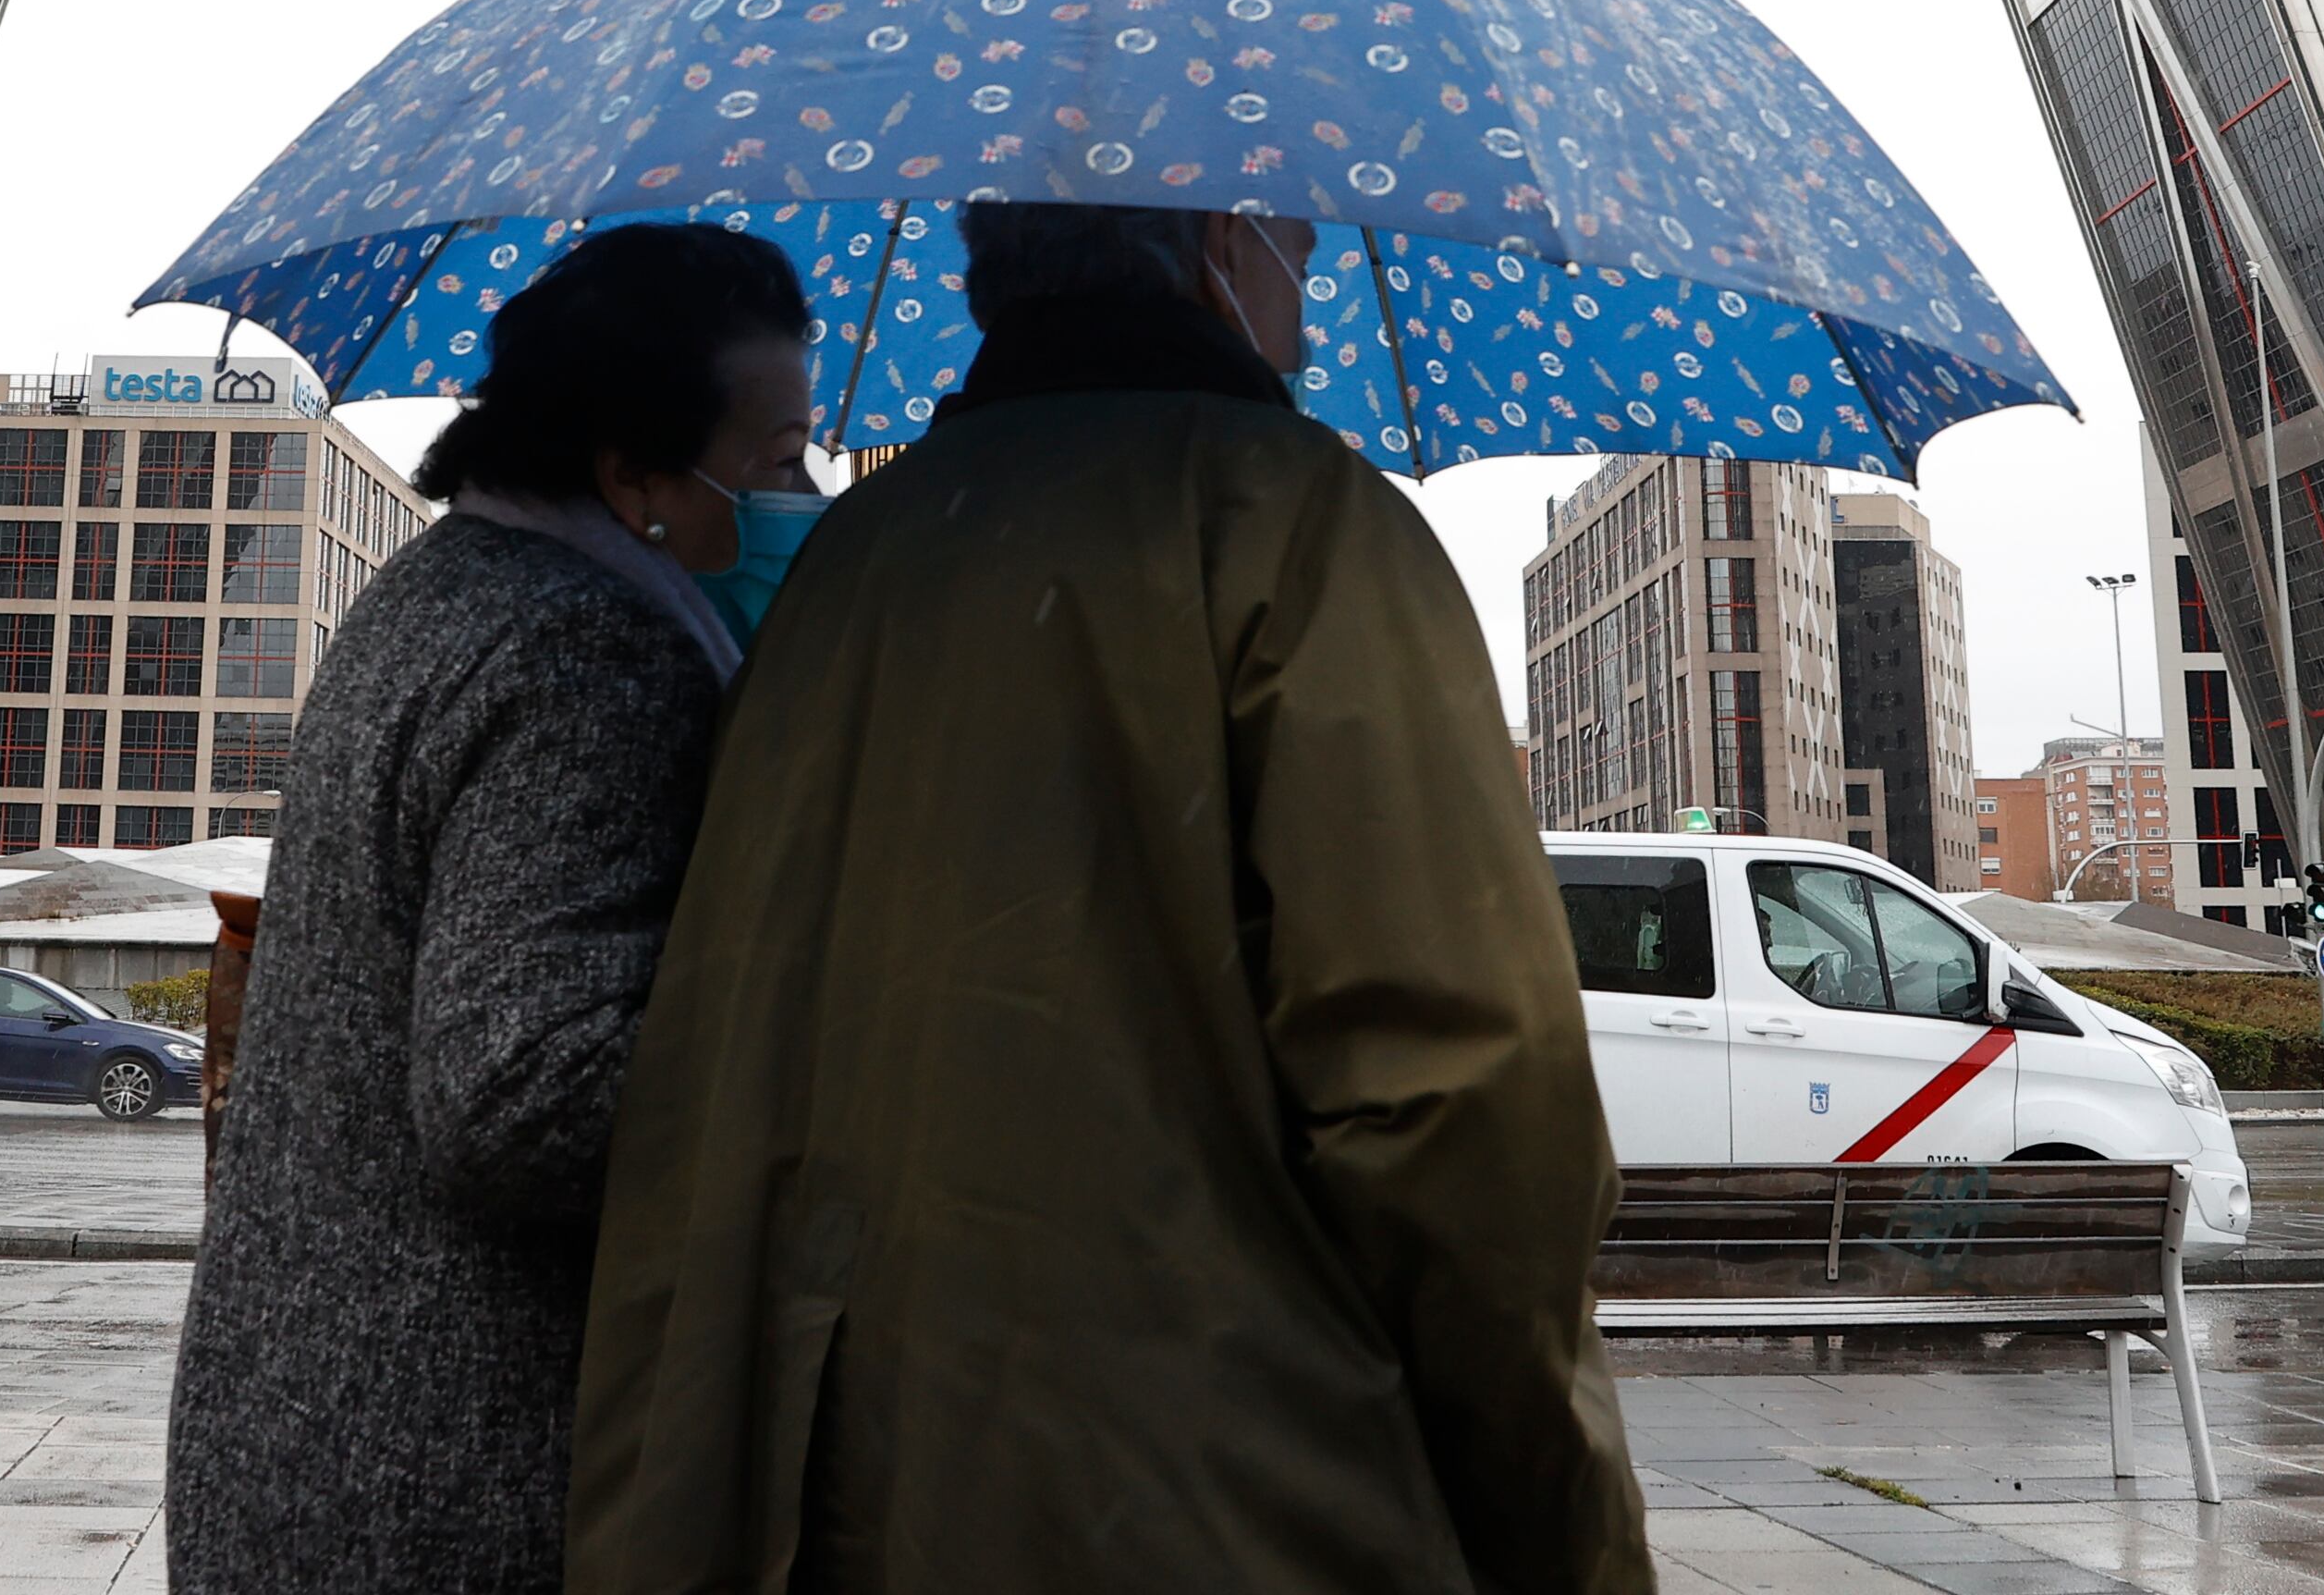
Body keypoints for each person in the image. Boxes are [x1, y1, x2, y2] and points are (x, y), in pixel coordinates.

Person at [567, 202, 1652, 1595]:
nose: (1310, 286)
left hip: (854, 1490)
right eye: (1296, 241)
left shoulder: (854, 565)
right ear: (1216, 246)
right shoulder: (1303, 527)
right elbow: (1461, 1098)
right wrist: (1558, 1522)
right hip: (1228, 1495)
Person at [167, 223, 822, 1595]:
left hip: (308, 1429)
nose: (802, 489)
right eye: (772, 459)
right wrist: (833, 1045)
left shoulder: (437, 593)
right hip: (462, 1473)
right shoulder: (590, 656)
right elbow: (524, 1094)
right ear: (636, 474)